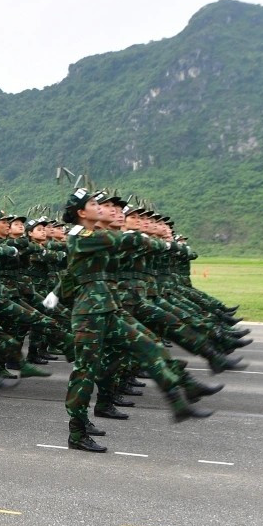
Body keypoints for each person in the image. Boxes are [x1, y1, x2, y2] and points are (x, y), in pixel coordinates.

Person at [53, 189, 215, 452]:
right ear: (81, 212)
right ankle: (77, 432)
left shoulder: (96, 236)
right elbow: (125, 241)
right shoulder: (79, 236)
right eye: (93, 204)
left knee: (149, 345)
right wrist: (149, 239)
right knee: (85, 372)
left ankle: (180, 399)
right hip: (89, 314)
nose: (100, 207)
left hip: (110, 309)